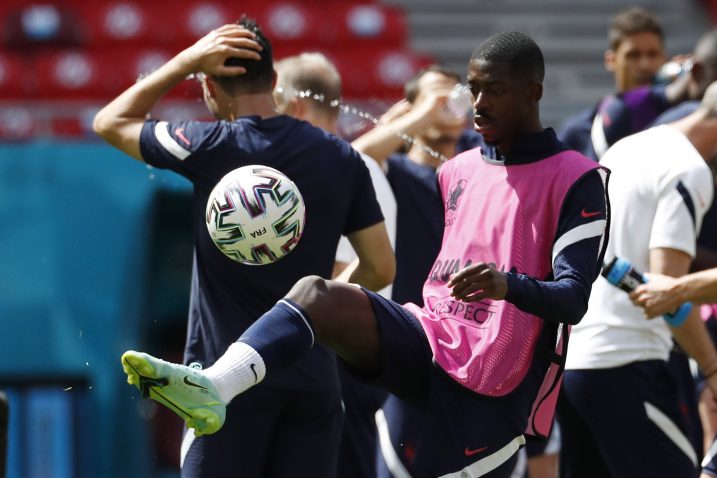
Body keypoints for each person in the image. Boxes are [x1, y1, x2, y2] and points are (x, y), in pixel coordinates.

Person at [120, 31, 610, 477]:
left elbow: (572, 299)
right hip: (430, 338)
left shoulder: (578, 178)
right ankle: (214, 386)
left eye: (494, 91)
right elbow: (362, 169)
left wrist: (507, 283)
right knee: (317, 294)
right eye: (474, 89)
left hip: (495, 385)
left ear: (533, 92)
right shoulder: (456, 170)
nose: (478, 104)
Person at [93, 18, 395, 478]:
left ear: (209, 87)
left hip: (220, 388)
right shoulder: (340, 156)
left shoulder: (208, 144)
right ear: (275, 81)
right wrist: (312, 311)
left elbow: (109, 122)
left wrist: (185, 61)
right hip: (311, 381)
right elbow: (379, 266)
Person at [560, 83, 717, 478]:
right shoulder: (689, 170)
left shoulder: (627, 147)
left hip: (575, 363)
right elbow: (667, 295)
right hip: (629, 366)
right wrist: (713, 367)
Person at [272, 51, 398, 478]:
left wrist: (284, 323)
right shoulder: (357, 163)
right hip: (364, 351)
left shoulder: (331, 169)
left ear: (294, 105)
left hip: (343, 356)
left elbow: (343, 274)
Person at [558, 7, 688, 161]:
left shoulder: (685, 118)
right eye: (633, 55)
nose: (644, 65)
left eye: (652, 54)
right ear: (611, 60)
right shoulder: (580, 132)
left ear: (665, 59)